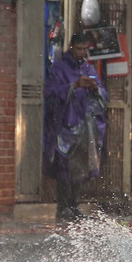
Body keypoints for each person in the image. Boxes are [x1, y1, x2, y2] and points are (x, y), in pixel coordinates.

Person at [43, 32, 108, 221]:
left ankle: (73, 205)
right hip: (65, 127)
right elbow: (51, 92)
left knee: (80, 167)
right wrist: (73, 86)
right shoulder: (59, 69)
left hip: (84, 126)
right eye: (79, 49)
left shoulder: (89, 69)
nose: (82, 53)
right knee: (64, 167)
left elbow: (102, 94)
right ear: (72, 47)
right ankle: (63, 207)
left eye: (85, 49)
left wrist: (94, 88)